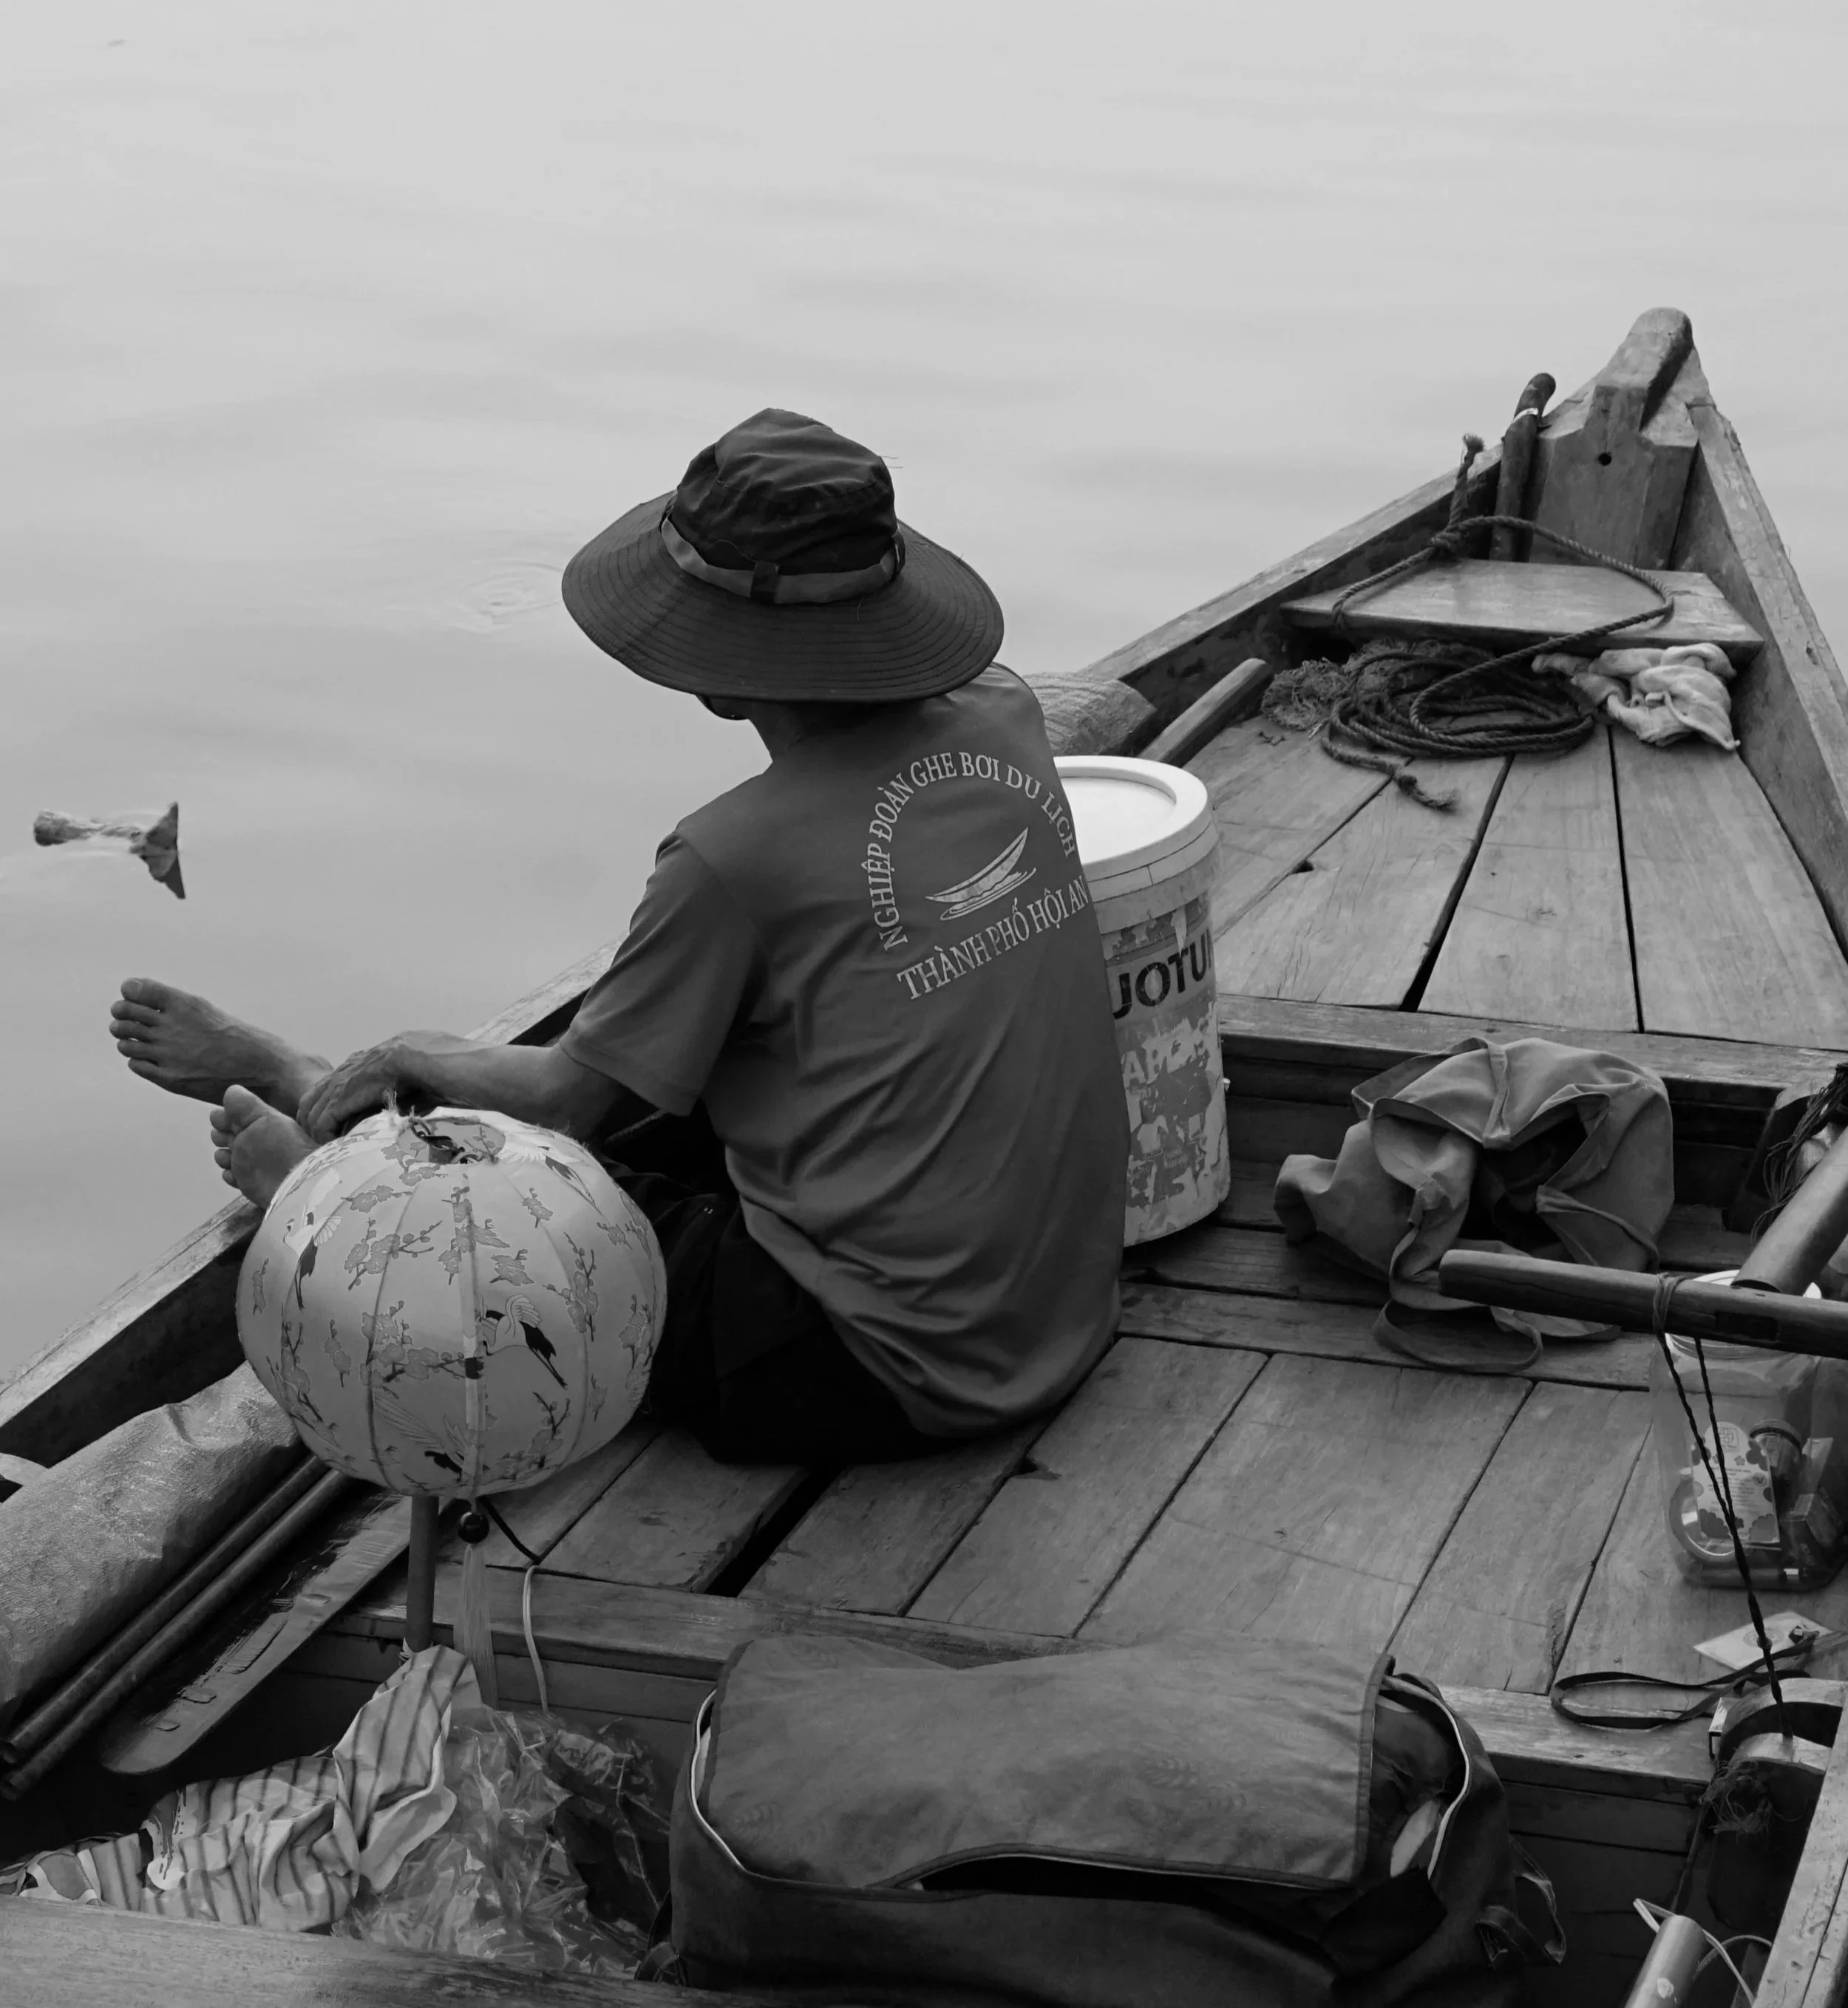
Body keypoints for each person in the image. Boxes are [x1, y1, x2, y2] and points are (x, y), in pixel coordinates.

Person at [112, 409, 1127, 1465]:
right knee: (653, 1106)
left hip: (871, 1367)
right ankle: (330, 1104)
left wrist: (405, 1049)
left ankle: (330, 1187)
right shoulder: (1006, 714)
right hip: (1056, 1309)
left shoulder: (733, 858)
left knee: (542, 1224)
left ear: (717, 674)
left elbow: (568, 1098)